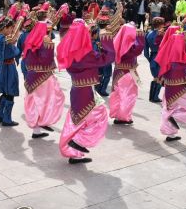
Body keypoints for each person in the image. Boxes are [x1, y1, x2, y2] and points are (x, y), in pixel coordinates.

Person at [57, 19, 116, 164]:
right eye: (87, 31)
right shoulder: (85, 53)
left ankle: (75, 153)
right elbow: (108, 57)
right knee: (99, 114)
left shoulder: (71, 49)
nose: (89, 33)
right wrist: (106, 38)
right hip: (85, 91)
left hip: (79, 89)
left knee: (79, 120)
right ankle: (77, 142)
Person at [21, 20, 64, 139]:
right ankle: (42, 122)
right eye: (47, 31)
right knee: (49, 100)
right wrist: (49, 46)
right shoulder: (43, 42)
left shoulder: (30, 40)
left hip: (31, 77)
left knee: (35, 103)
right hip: (42, 78)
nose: (49, 33)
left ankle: (37, 130)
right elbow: (45, 60)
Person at [109, 23, 145, 125]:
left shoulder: (117, 41)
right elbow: (139, 48)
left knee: (118, 95)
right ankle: (122, 117)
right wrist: (140, 36)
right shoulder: (128, 45)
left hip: (118, 72)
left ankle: (118, 115)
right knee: (128, 96)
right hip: (126, 74)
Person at [144, 17, 164, 103]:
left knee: (155, 77)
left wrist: (150, 59)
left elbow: (145, 51)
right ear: (160, 25)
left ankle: (152, 96)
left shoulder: (148, 34)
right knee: (159, 78)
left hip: (152, 56)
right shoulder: (162, 34)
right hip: (160, 56)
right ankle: (155, 97)